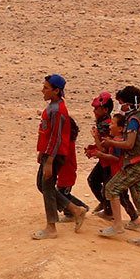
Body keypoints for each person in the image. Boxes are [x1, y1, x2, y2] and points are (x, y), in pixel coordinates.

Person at [97, 86, 140, 247]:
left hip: (136, 163)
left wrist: (111, 142)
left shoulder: (133, 120)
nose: (120, 107)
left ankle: (117, 225)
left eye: (121, 103)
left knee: (111, 188)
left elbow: (129, 144)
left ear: (128, 104)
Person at [33, 74, 86, 239]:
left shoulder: (57, 110)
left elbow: (56, 137)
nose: (43, 90)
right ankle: (75, 209)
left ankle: (51, 227)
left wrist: (49, 161)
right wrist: (41, 151)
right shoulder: (53, 107)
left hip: (54, 155)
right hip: (49, 153)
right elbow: (47, 134)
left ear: (56, 91)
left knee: (47, 188)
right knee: (42, 185)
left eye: (46, 88)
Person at [84, 92, 136, 221]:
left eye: (97, 108)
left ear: (105, 109)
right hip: (105, 161)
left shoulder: (106, 125)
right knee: (98, 183)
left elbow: (105, 147)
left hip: (109, 162)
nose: (94, 111)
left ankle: (125, 215)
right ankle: (108, 207)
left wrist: (96, 144)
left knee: (113, 190)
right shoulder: (105, 123)